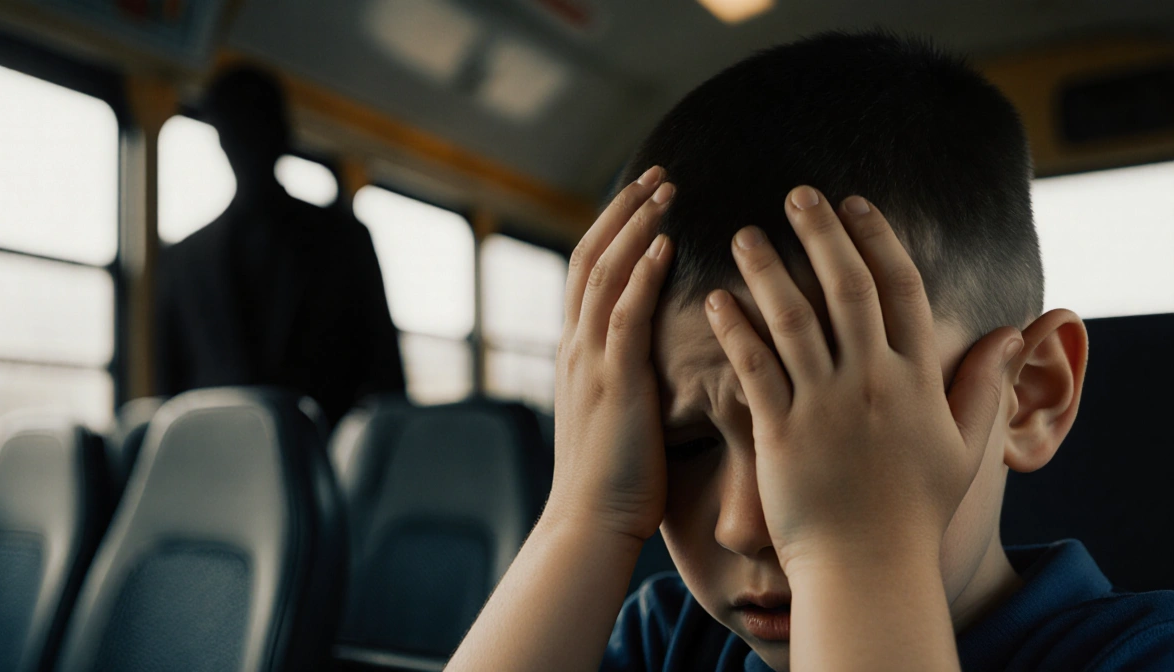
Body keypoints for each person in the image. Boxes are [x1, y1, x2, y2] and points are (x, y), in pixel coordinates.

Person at [445, 31, 1174, 671]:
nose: (743, 523)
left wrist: (857, 555)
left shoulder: (1142, 652)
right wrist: (585, 516)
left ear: (1031, 396)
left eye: (846, 435)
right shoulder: (671, 641)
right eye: (688, 445)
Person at [155, 66, 405, 427]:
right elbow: (169, 395)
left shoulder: (345, 241)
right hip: (216, 464)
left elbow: (385, 379)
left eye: (251, 126)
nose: (244, 142)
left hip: (327, 464)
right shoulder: (181, 260)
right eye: (235, 129)